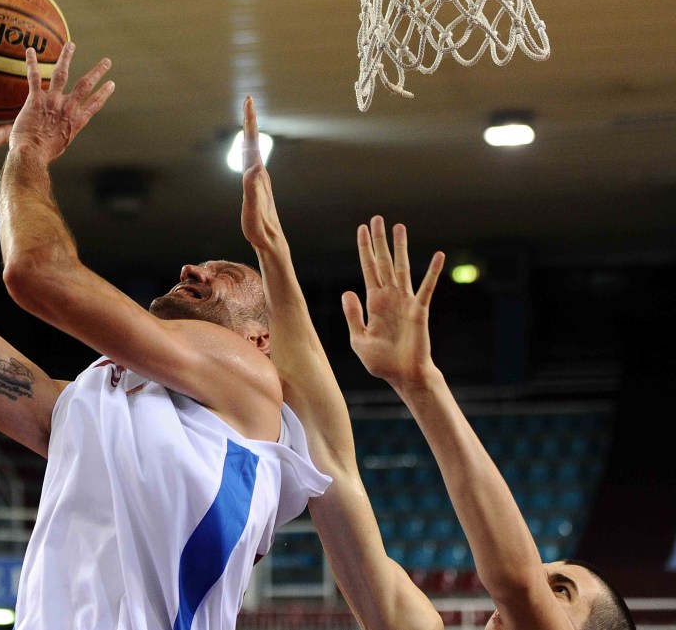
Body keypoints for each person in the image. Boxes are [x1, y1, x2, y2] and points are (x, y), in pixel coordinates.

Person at [0, 43, 330, 630]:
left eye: (227, 273)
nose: (193, 270)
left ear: (260, 338)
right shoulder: (90, 402)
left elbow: (35, 271)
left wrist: (30, 150)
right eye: (197, 265)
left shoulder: (249, 384)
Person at [238, 99, 634, 630]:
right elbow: (329, 461)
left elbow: (516, 580)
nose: (537, 584)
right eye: (549, 575)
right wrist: (272, 251)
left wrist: (424, 384)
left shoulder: (515, 585)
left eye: (560, 590)